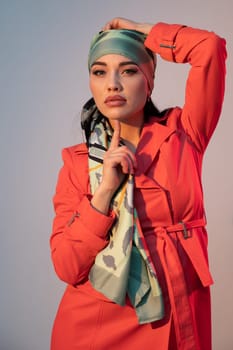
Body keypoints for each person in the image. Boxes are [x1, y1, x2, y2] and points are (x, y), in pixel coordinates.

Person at [50, 17, 227, 350]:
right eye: (99, 72)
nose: (112, 84)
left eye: (128, 70)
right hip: (98, 323)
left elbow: (209, 48)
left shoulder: (183, 134)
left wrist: (146, 32)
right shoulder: (77, 162)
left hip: (175, 308)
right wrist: (104, 193)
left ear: (149, 81)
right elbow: (67, 265)